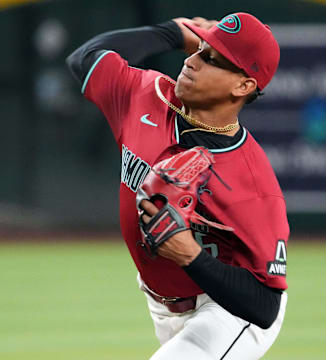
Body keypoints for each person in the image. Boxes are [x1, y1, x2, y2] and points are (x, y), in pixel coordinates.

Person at [66, 12, 289, 360]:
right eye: (200, 49)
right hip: (162, 303)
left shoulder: (253, 182)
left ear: (243, 85)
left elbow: (264, 307)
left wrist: (191, 255)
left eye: (212, 59)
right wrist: (169, 33)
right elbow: (85, 59)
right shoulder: (146, 94)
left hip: (228, 311)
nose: (192, 61)